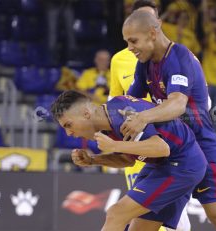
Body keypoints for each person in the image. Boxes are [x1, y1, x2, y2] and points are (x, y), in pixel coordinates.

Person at [122, 10, 216, 231]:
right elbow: (130, 101)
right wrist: (103, 117)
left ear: (152, 33)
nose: (129, 47)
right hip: (171, 151)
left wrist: (142, 117)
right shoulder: (145, 63)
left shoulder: (179, 58)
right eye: (127, 42)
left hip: (200, 145)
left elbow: (178, 104)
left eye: (133, 41)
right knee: (138, 223)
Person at [50, 91, 207, 231]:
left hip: (182, 164)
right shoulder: (107, 122)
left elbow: (161, 148)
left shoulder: (122, 115)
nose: (69, 133)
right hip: (164, 164)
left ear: (86, 114)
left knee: (116, 214)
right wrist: (92, 160)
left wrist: (114, 145)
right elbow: (127, 160)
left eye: (68, 125)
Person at [109, 1, 190, 230]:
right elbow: (116, 101)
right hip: (136, 148)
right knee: (146, 216)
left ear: (155, 27)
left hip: (171, 145)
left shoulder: (177, 58)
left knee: (166, 217)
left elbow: (188, 101)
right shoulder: (120, 60)